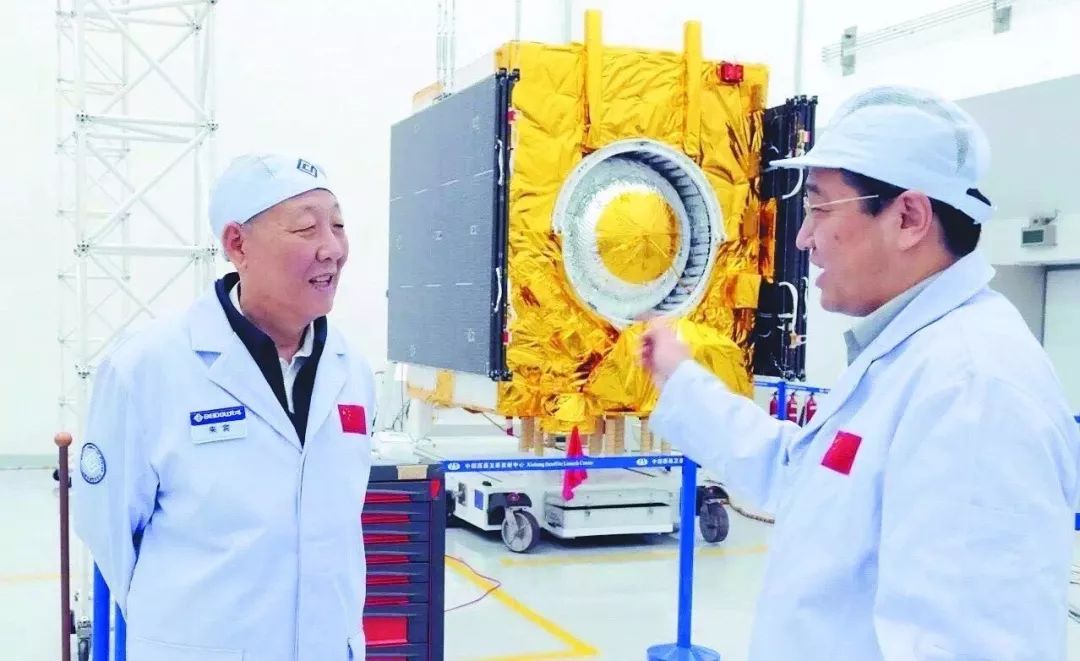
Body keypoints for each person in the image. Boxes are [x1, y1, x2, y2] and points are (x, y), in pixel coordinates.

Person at [640, 87, 1080, 660]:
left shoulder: (972, 390)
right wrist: (680, 378)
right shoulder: (908, 355)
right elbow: (797, 474)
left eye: (820, 209)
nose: (803, 239)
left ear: (909, 218)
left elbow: (968, 647)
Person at [73, 153, 375, 660]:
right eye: (307, 229)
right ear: (237, 244)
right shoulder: (147, 368)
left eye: (338, 226)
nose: (333, 249)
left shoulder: (353, 371)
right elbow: (107, 528)